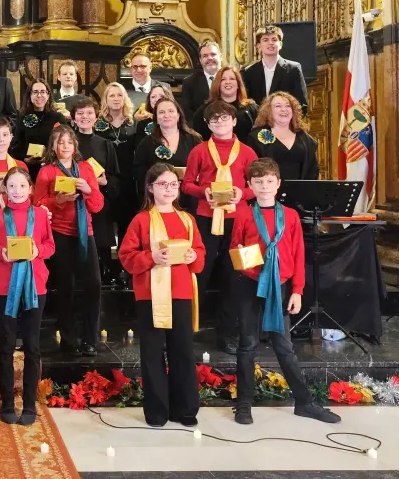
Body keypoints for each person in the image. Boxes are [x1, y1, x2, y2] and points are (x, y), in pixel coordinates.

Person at [229, 159, 340, 425]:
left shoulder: (290, 216)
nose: (264, 186)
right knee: (247, 344)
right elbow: (235, 248)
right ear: (250, 185)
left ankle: (304, 402)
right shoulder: (243, 213)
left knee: (284, 345)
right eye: (258, 182)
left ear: (278, 184)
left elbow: (298, 254)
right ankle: (244, 404)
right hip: (251, 284)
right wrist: (246, 261)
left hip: (280, 286)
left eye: (269, 181)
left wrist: (297, 291)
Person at [119, 163, 205, 427]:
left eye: (173, 184)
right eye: (163, 184)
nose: (169, 189)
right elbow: (126, 256)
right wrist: (152, 257)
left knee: (183, 351)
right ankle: (157, 411)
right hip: (150, 295)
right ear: (150, 188)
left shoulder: (187, 219)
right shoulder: (142, 220)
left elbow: (200, 256)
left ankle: (185, 409)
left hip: (181, 292)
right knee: (153, 353)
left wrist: (193, 256)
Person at [182, 100, 258, 353]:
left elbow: (256, 186)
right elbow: (187, 184)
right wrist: (203, 192)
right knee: (199, 272)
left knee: (235, 275)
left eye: (225, 118)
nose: (220, 122)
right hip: (206, 217)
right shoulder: (199, 151)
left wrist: (242, 193)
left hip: (239, 221)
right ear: (207, 124)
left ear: (234, 121)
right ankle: (188, 328)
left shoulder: (247, 152)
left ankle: (228, 332)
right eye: (214, 119)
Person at [0, 166, 55, 424]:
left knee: (32, 346)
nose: (17, 191)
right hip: (6, 287)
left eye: (22, 186)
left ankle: (28, 404)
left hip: (35, 286)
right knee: (6, 345)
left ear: (31, 189)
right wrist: (1, 253)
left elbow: (50, 245)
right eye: (12, 186)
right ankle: (7, 403)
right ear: (5, 189)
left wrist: (38, 252)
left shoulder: (40, 214)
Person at [34, 125, 104, 356]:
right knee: (65, 286)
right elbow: (37, 204)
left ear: (75, 145)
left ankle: (90, 339)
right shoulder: (47, 171)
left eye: (69, 142)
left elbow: (97, 205)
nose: (65, 146)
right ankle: (69, 339)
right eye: (60, 142)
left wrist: (88, 190)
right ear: (53, 146)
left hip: (86, 233)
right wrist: (59, 200)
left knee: (93, 284)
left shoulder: (86, 169)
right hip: (59, 233)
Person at [72, 96, 122, 287]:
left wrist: (104, 182)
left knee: (99, 250)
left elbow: (115, 177)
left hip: (99, 203)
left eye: (89, 113)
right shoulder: (67, 143)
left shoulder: (105, 144)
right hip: (73, 202)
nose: (85, 117)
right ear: (74, 117)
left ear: (96, 116)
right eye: (80, 113)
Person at [132, 98, 201, 211]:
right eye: (161, 112)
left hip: (189, 201)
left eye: (171, 111)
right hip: (158, 203)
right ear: (156, 118)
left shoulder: (194, 139)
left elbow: (204, 168)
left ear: (178, 115)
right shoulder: (146, 143)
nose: (166, 115)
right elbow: (138, 172)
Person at [99, 82, 138, 259]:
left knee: (126, 223)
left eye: (119, 95)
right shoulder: (98, 124)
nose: (116, 99)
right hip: (106, 180)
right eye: (112, 95)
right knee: (105, 223)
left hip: (128, 180)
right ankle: (106, 265)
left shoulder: (134, 123)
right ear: (106, 99)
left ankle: (125, 262)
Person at [246, 92, 319, 181]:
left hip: (302, 188)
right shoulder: (257, 137)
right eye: (278, 106)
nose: (284, 109)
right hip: (268, 188)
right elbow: (253, 170)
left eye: (288, 106)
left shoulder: (306, 139)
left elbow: (313, 171)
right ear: (269, 111)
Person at [242, 25, 309, 114]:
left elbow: (302, 103)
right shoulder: (249, 72)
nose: (270, 43)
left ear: (280, 44)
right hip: (258, 121)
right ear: (259, 46)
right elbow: (246, 103)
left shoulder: (293, 69)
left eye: (274, 39)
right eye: (265, 40)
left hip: (286, 120)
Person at [11, 79, 67, 179]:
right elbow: (16, 145)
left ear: (48, 95)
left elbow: (65, 142)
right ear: (30, 95)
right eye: (35, 92)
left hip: (53, 167)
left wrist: (50, 156)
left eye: (43, 92)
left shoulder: (58, 117)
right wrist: (25, 158)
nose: (39, 95)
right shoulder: (22, 117)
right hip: (29, 169)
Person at [191, 66, 258, 142]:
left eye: (232, 79)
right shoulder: (205, 110)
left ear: (238, 84)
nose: (228, 82)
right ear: (218, 84)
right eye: (223, 79)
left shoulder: (252, 108)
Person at [179, 40, 224, 122]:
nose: (209, 58)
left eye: (213, 54)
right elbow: (187, 114)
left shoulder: (232, 78)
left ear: (221, 57)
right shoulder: (189, 82)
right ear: (200, 60)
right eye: (205, 56)